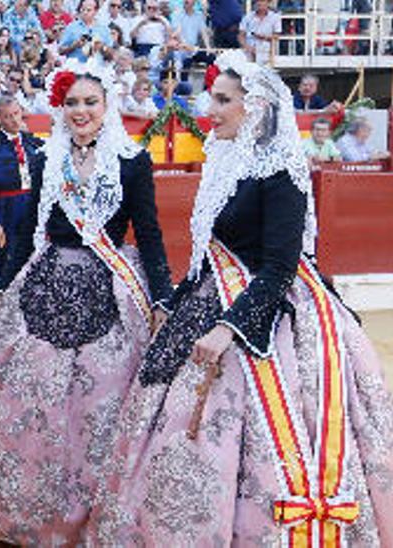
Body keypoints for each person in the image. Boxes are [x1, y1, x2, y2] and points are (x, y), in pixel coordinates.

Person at [89, 49, 393, 546]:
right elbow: (210, 254)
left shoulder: (281, 175)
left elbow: (278, 268)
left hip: (271, 317)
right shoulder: (224, 162)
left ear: (255, 108)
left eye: (224, 100)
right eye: (214, 97)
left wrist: (227, 327)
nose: (212, 109)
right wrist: (178, 304)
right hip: (215, 300)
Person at [0, 60, 173, 545]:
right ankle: (31, 514)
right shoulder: (47, 157)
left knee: (101, 404)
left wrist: (162, 300)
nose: (81, 111)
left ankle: (97, 516)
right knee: (34, 403)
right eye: (72, 102)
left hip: (111, 287)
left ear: (107, 105)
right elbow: (31, 228)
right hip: (45, 283)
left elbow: (151, 237)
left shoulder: (132, 161)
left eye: (90, 102)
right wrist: (7, 287)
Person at [0, 94, 42, 271]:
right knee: (6, 258)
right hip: (4, 209)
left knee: (33, 257)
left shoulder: (33, 141)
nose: (14, 120)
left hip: (31, 205)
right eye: (8, 116)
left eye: (16, 113)